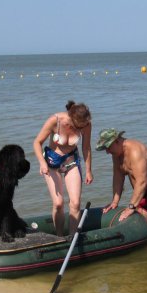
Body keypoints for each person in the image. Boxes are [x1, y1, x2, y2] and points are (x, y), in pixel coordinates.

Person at [97, 128, 147, 238]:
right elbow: (118, 177)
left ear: (117, 141)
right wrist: (114, 202)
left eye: (108, 147)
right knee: (141, 219)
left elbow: (142, 181)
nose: (107, 151)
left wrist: (131, 207)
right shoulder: (116, 154)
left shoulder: (135, 151)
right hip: (145, 190)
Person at [33, 100, 93, 237]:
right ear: (72, 119)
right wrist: (42, 163)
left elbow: (86, 148)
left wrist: (89, 170)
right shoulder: (56, 121)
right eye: (79, 126)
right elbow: (37, 142)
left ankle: (72, 237)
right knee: (59, 203)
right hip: (51, 163)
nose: (81, 129)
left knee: (76, 203)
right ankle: (59, 235)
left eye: (84, 126)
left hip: (71, 162)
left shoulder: (86, 124)